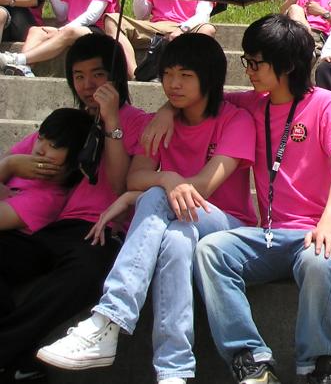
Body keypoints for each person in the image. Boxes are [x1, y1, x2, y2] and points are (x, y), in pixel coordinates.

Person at [37, 34, 257, 384]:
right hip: (181, 221)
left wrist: (142, 193)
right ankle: (173, 371)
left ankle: (110, 317)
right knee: (177, 238)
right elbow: (135, 176)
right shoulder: (160, 122)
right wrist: (164, 177)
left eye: (185, 75)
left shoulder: (236, 121)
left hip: (227, 224)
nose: (173, 84)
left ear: (209, 77)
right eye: (167, 74)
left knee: (155, 197)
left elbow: (201, 188)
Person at [194, 14, 331, 384]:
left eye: (256, 63)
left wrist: (327, 225)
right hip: (269, 235)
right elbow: (199, 99)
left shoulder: (326, 104)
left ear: (286, 66)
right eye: (247, 61)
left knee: (319, 262)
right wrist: (163, 112)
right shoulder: (252, 105)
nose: (248, 71)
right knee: (210, 250)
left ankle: (318, 365)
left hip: (317, 233)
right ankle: (251, 360)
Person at [0, 34, 147, 381]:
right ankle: (20, 361)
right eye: (78, 76)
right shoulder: (68, 122)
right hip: (51, 227)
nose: (87, 85)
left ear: (116, 76)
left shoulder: (139, 122)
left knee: (85, 273)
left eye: (97, 74)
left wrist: (111, 122)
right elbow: (18, 158)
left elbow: (119, 186)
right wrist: (12, 167)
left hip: (102, 229)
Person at [0, 108, 94, 232]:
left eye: (53, 146)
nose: (39, 150)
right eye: (40, 138)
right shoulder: (23, 167)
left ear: (77, 159)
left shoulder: (45, 201)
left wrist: (9, 165)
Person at [0, 0, 119, 77]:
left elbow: (92, 16)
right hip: (72, 28)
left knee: (69, 31)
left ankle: (18, 59)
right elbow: (62, 14)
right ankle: (24, 68)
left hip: (98, 30)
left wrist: (61, 30)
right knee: (35, 30)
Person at [105, 0, 217, 79]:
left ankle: (190, 78)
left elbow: (203, 15)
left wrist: (182, 29)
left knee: (207, 29)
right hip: (156, 27)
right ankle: (136, 76)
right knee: (112, 20)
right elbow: (141, 15)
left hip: (186, 29)